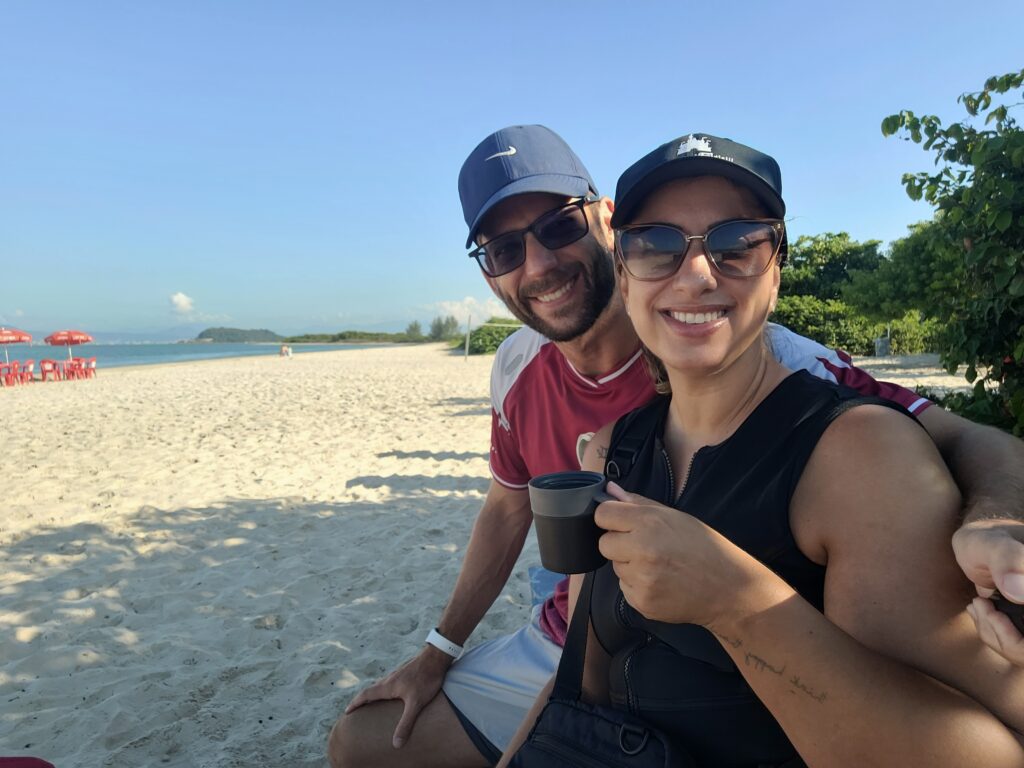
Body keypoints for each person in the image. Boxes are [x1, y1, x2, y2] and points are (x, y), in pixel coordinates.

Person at [328, 125, 1024, 768]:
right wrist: (440, 652)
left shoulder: (828, 416)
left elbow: (962, 438)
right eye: (658, 245)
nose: (696, 275)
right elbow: (515, 522)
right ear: (627, 266)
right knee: (363, 741)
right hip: (583, 637)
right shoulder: (593, 433)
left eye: (736, 243)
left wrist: (992, 520)